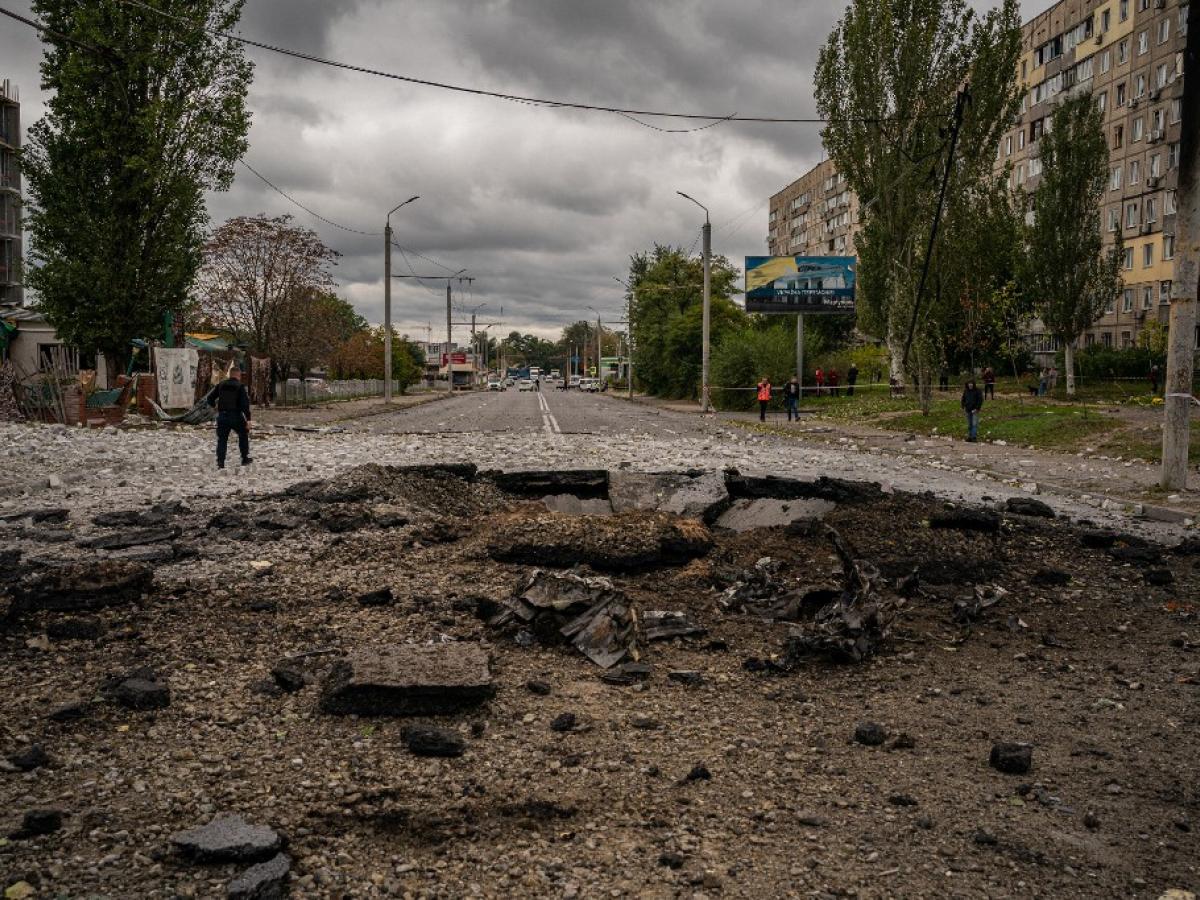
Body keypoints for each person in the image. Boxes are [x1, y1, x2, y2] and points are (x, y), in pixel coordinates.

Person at [204, 364, 253, 469]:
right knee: (243, 434)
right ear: (238, 375)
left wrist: (214, 406)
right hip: (235, 416)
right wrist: (248, 420)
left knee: (222, 439)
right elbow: (245, 404)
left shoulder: (221, 384)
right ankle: (244, 458)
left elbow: (209, 398)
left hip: (222, 416)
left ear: (230, 375)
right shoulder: (240, 386)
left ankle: (220, 463)